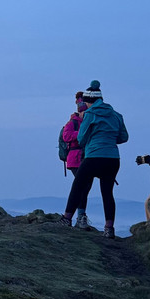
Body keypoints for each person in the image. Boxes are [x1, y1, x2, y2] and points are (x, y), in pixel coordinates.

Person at [61, 80, 128, 238]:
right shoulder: (116, 115)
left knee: (78, 186)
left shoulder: (90, 115)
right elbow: (124, 137)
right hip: (112, 158)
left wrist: (94, 139)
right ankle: (109, 228)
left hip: (93, 156)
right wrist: (109, 140)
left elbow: (82, 138)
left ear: (88, 101)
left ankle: (66, 219)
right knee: (107, 193)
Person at [61, 91, 91, 228]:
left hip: (86, 158)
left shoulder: (88, 121)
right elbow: (66, 137)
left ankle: (78, 217)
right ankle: (79, 217)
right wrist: (82, 133)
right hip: (74, 159)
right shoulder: (72, 122)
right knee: (82, 187)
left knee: (84, 187)